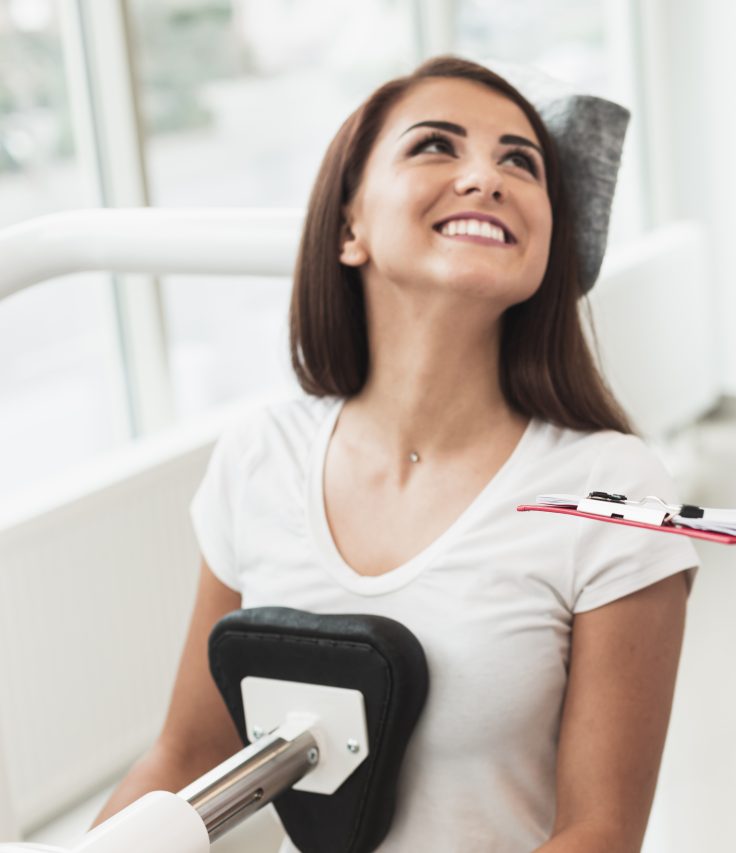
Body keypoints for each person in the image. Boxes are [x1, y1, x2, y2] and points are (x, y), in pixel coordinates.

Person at [97, 56, 696, 853]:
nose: (486, 178)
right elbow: (191, 753)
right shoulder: (259, 457)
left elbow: (599, 834)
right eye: (436, 148)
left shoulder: (613, 491)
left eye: (521, 162)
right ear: (350, 227)